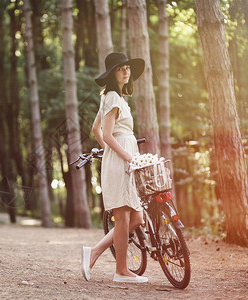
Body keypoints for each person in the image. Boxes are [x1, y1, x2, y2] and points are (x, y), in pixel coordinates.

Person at [81, 52, 148, 283]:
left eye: (128, 68)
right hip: (123, 161)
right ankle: (121, 271)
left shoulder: (116, 98)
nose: (126, 72)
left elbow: (95, 129)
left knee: (136, 218)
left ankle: (95, 251)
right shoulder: (111, 96)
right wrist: (126, 156)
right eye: (121, 69)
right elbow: (107, 134)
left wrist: (113, 153)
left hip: (122, 159)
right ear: (112, 74)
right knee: (123, 218)